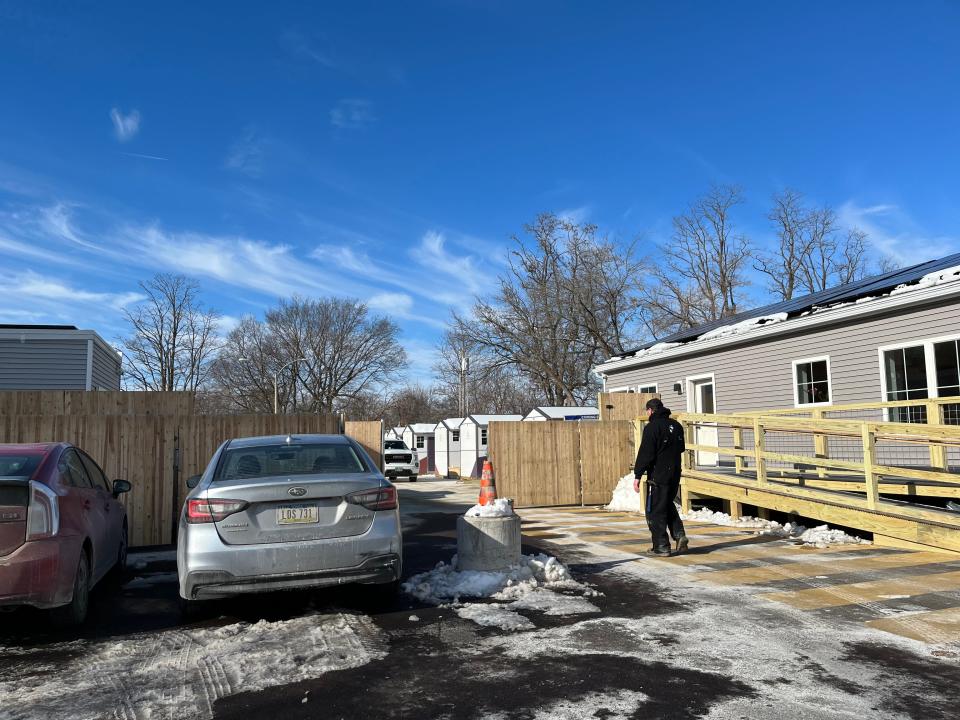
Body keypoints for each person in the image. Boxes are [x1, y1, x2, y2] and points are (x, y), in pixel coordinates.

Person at [632, 397, 688, 556]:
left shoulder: (652, 428)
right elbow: (681, 448)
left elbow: (646, 454)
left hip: (659, 475)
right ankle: (679, 535)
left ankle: (661, 546)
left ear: (650, 410)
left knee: (655, 510)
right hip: (675, 472)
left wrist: (638, 475)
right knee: (666, 503)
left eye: (647, 411)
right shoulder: (676, 426)